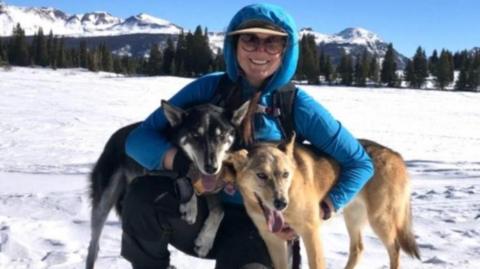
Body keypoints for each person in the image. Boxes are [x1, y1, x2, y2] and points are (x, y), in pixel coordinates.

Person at [122, 3, 374, 269]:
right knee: (142, 196)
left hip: (265, 227)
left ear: (285, 51)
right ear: (234, 45)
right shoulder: (210, 88)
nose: (260, 50)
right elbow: (138, 140)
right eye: (250, 40)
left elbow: (360, 163)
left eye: (272, 43)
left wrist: (322, 209)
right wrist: (185, 166)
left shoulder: (294, 104)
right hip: (203, 211)